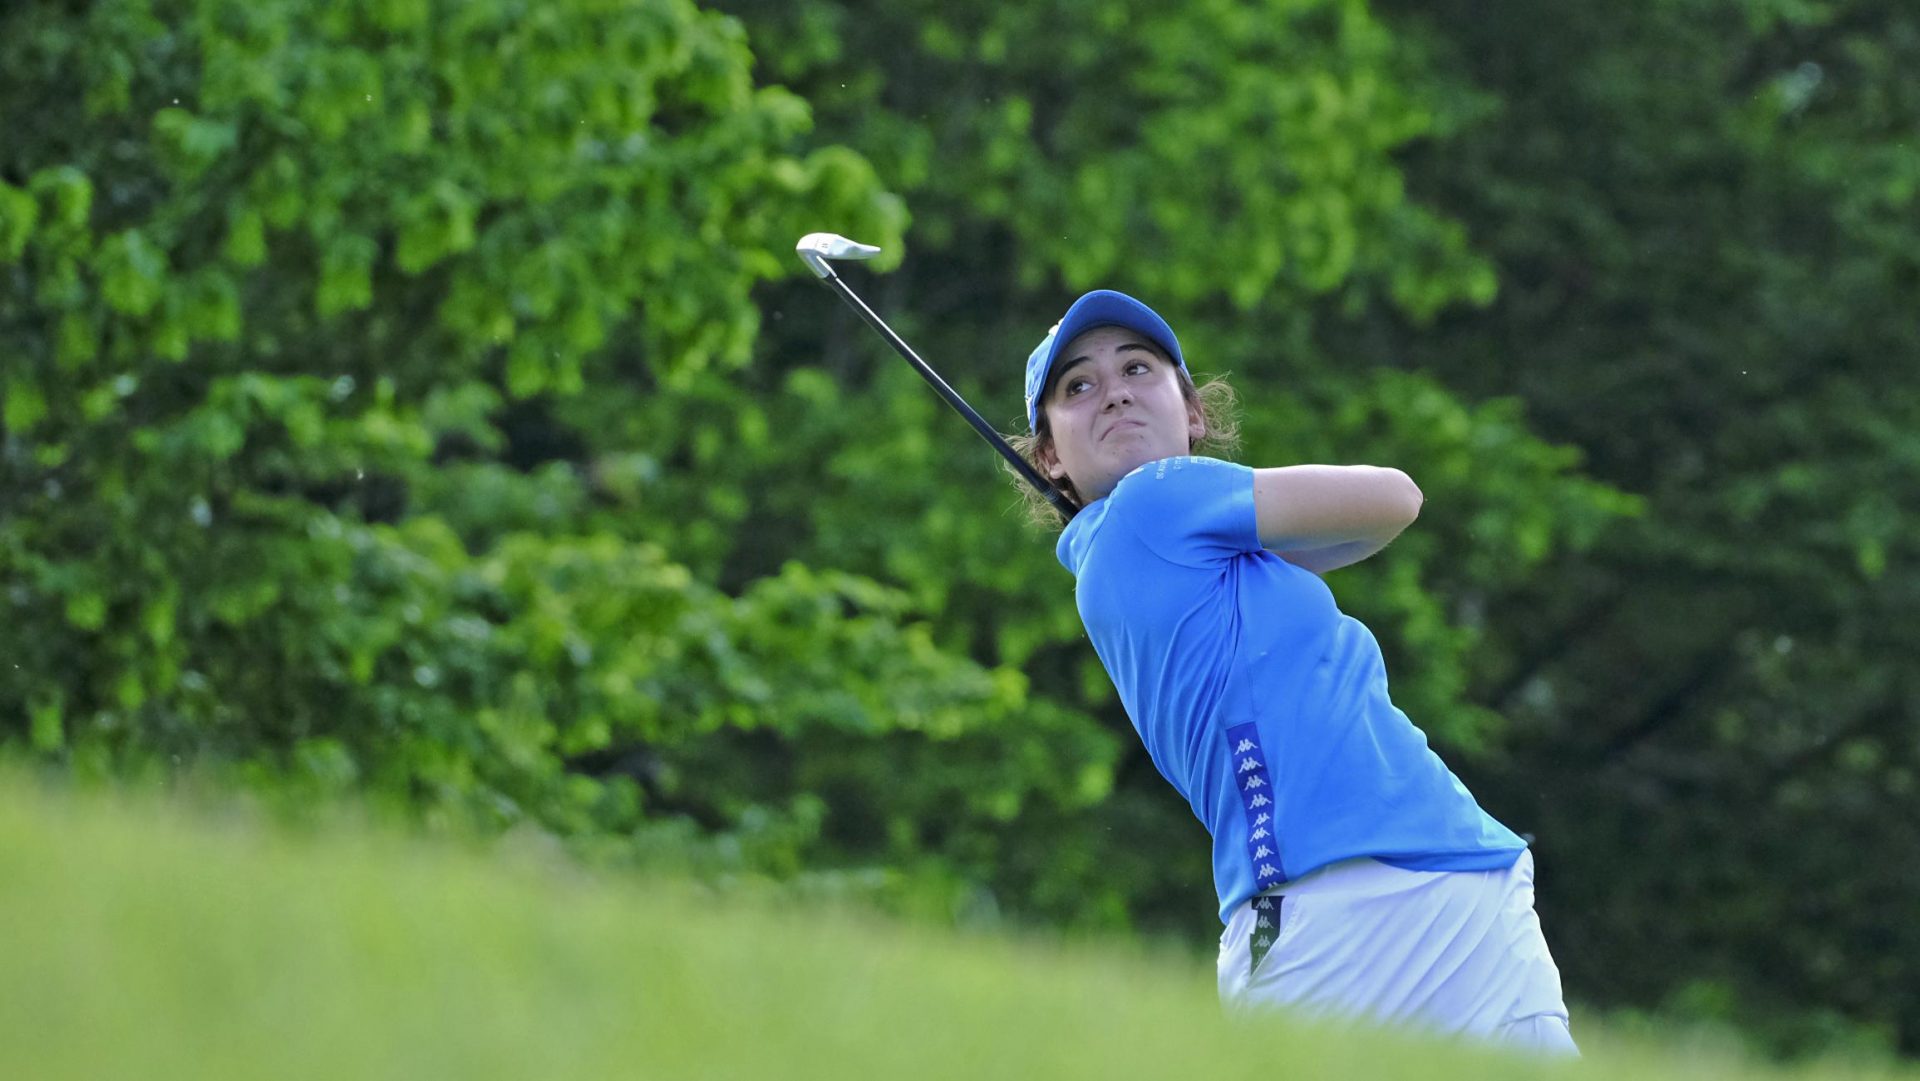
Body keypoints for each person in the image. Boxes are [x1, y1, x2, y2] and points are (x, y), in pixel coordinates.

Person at [1012, 289, 1578, 1056]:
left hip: (1424, 876)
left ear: (1192, 410)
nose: (1112, 390)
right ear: (1050, 457)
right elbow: (1395, 497)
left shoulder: (1165, 550)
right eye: (1078, 385)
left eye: (1137, 367)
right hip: (1352, 907)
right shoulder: (1153, 502)